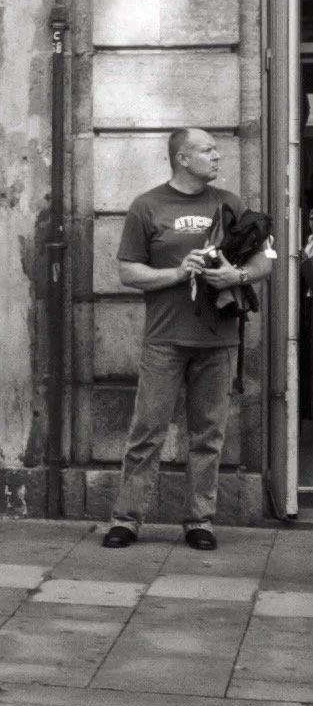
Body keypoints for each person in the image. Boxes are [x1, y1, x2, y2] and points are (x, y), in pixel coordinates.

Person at [102, 127, 271, 552]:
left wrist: (238, 275)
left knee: (208, 437)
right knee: (147, 433)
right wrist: (179, 273)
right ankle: (127, 519)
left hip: (218, 340)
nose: (217, 156)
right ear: (182, 158)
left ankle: (200, 521)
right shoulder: (147, 206)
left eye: (216, 149)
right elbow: (128, 271)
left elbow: (265, 258)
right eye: (207, 150)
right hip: (164, 339)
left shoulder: (229, 203)